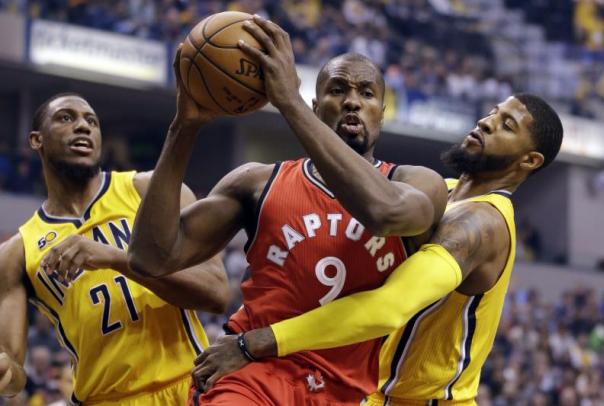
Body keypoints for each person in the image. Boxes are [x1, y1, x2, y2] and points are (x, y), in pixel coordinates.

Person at [128, 16, 448, 406]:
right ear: (317, 106)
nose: (352, 101)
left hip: (349, 391)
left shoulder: (419, 184)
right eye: (337, 90)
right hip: (250, 372)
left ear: (381, 112)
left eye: (366, 93)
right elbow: (149, 257)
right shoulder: (257, 182)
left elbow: (384, 213)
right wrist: (184, 126)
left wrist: (289, 102)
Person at [197, 90, 564, 405]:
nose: (487, 122)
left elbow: (387, 308)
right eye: (493, 113)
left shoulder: (482, 224)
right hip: (370, 394)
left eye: (507, 126)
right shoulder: (438, 193)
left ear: (529, 161)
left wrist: (254, 343)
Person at [0, 93, 230, 405]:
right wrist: (5, 372)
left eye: (91, 121)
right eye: (66, 118)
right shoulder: (18, 251)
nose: (83, 126)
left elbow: (216, 293)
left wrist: (115, 258)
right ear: (36, 140)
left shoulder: (148, 190)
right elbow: (13, 373)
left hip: (186, 386)